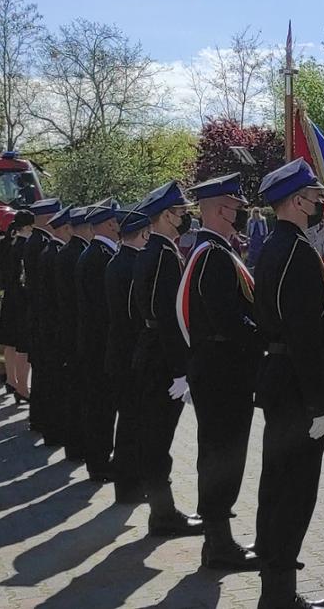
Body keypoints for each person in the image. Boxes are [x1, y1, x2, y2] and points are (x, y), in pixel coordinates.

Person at [253, 159, 324, 609]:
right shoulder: (299, 252)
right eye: (312, 197)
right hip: (298, 385)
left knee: (276, 488)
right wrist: (321, 402)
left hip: (279, 379)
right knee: (294, 494)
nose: (318, 203)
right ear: (294, 201)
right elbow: (306, 334)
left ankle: (275, 591)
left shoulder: (273, 247)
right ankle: (280, 598)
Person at [180, 174, 265, 571]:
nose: (240, 213)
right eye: (234, 207)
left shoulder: (211, 250)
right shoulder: (213, 256)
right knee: (223, 457)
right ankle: (218, 545)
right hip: (223, 371)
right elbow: (227, 321)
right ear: (217, 209)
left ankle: (217, 539)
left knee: (218, 454)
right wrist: (264, 336)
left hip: (217, 369)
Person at [128, 182, 206, 539]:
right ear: (165, 216)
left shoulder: (152, 251)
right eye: (179, 212)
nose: (184, 216)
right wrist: (179, 369)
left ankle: (162, 510)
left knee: (155, 438)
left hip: (150, 351)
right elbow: (168, 315)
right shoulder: (162, 255)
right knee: (158, 439)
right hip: (161, 358)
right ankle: (162, 514)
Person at [104, 209, 150, 506]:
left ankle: (127, 483)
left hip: (117, 350)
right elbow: (138, 314)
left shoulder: (115, 261)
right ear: (144, 234)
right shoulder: (135, 265)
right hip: (132, 353)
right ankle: (131, 486)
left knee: (127, 422)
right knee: (135, 424)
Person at [75, 200, 121, 484]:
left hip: (93, 341)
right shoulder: (101, 256)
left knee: (99, 406)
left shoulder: (95, 253)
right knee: (101, 407)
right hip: (100, 343)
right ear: (109, 224)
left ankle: (99, 459)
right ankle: (100, 463)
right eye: (115, 222)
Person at [22, 199, 66, 445]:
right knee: (49, 377)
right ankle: (48, 424)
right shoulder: (43, 246)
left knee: (42, 376)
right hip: (45, 320)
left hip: (38, 318)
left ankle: (39, 419)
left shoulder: (35, 243)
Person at [56, 206, 92, 464]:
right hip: (77, 331)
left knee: (72, 391)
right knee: (80, 394)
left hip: (67, 329)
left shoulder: (66, 252)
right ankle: (79, 446)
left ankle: (74, 446)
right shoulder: (78, 254)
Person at [0, 208, 35, 402]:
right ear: (28, 227)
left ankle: (12, 380)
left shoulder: (5, 244)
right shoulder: (25, 247)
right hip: (21, 299)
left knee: (10, 341)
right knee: (23, 345)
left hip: (9, 296)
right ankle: (22, 387)